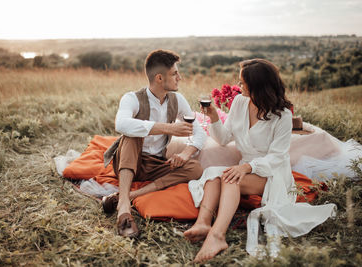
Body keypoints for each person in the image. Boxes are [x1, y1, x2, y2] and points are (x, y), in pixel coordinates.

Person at [183, 59, 336, 262]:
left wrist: (247, 167)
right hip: (246, 168)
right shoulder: (239, 102)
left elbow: (278, 156)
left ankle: (218, 236)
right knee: (212, 174)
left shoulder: (281, 116)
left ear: (258, 85)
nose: (239, 86)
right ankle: (203, 223)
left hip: (272, 173)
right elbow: (223, 138)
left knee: (230, 178)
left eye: (243, 83)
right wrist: (213, 118)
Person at [102, 49, 206, 238]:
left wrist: (185, 154)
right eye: (175, 73)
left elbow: (200, 133)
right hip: (129, 161)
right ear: (159, 78)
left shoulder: (177, 100)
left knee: (195, 168)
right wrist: (168, 128)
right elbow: (121, 124)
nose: (179, 78)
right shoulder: (132, 98)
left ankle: (129, 196)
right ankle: (124, 209)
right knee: (132, 135)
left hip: (156, 164)